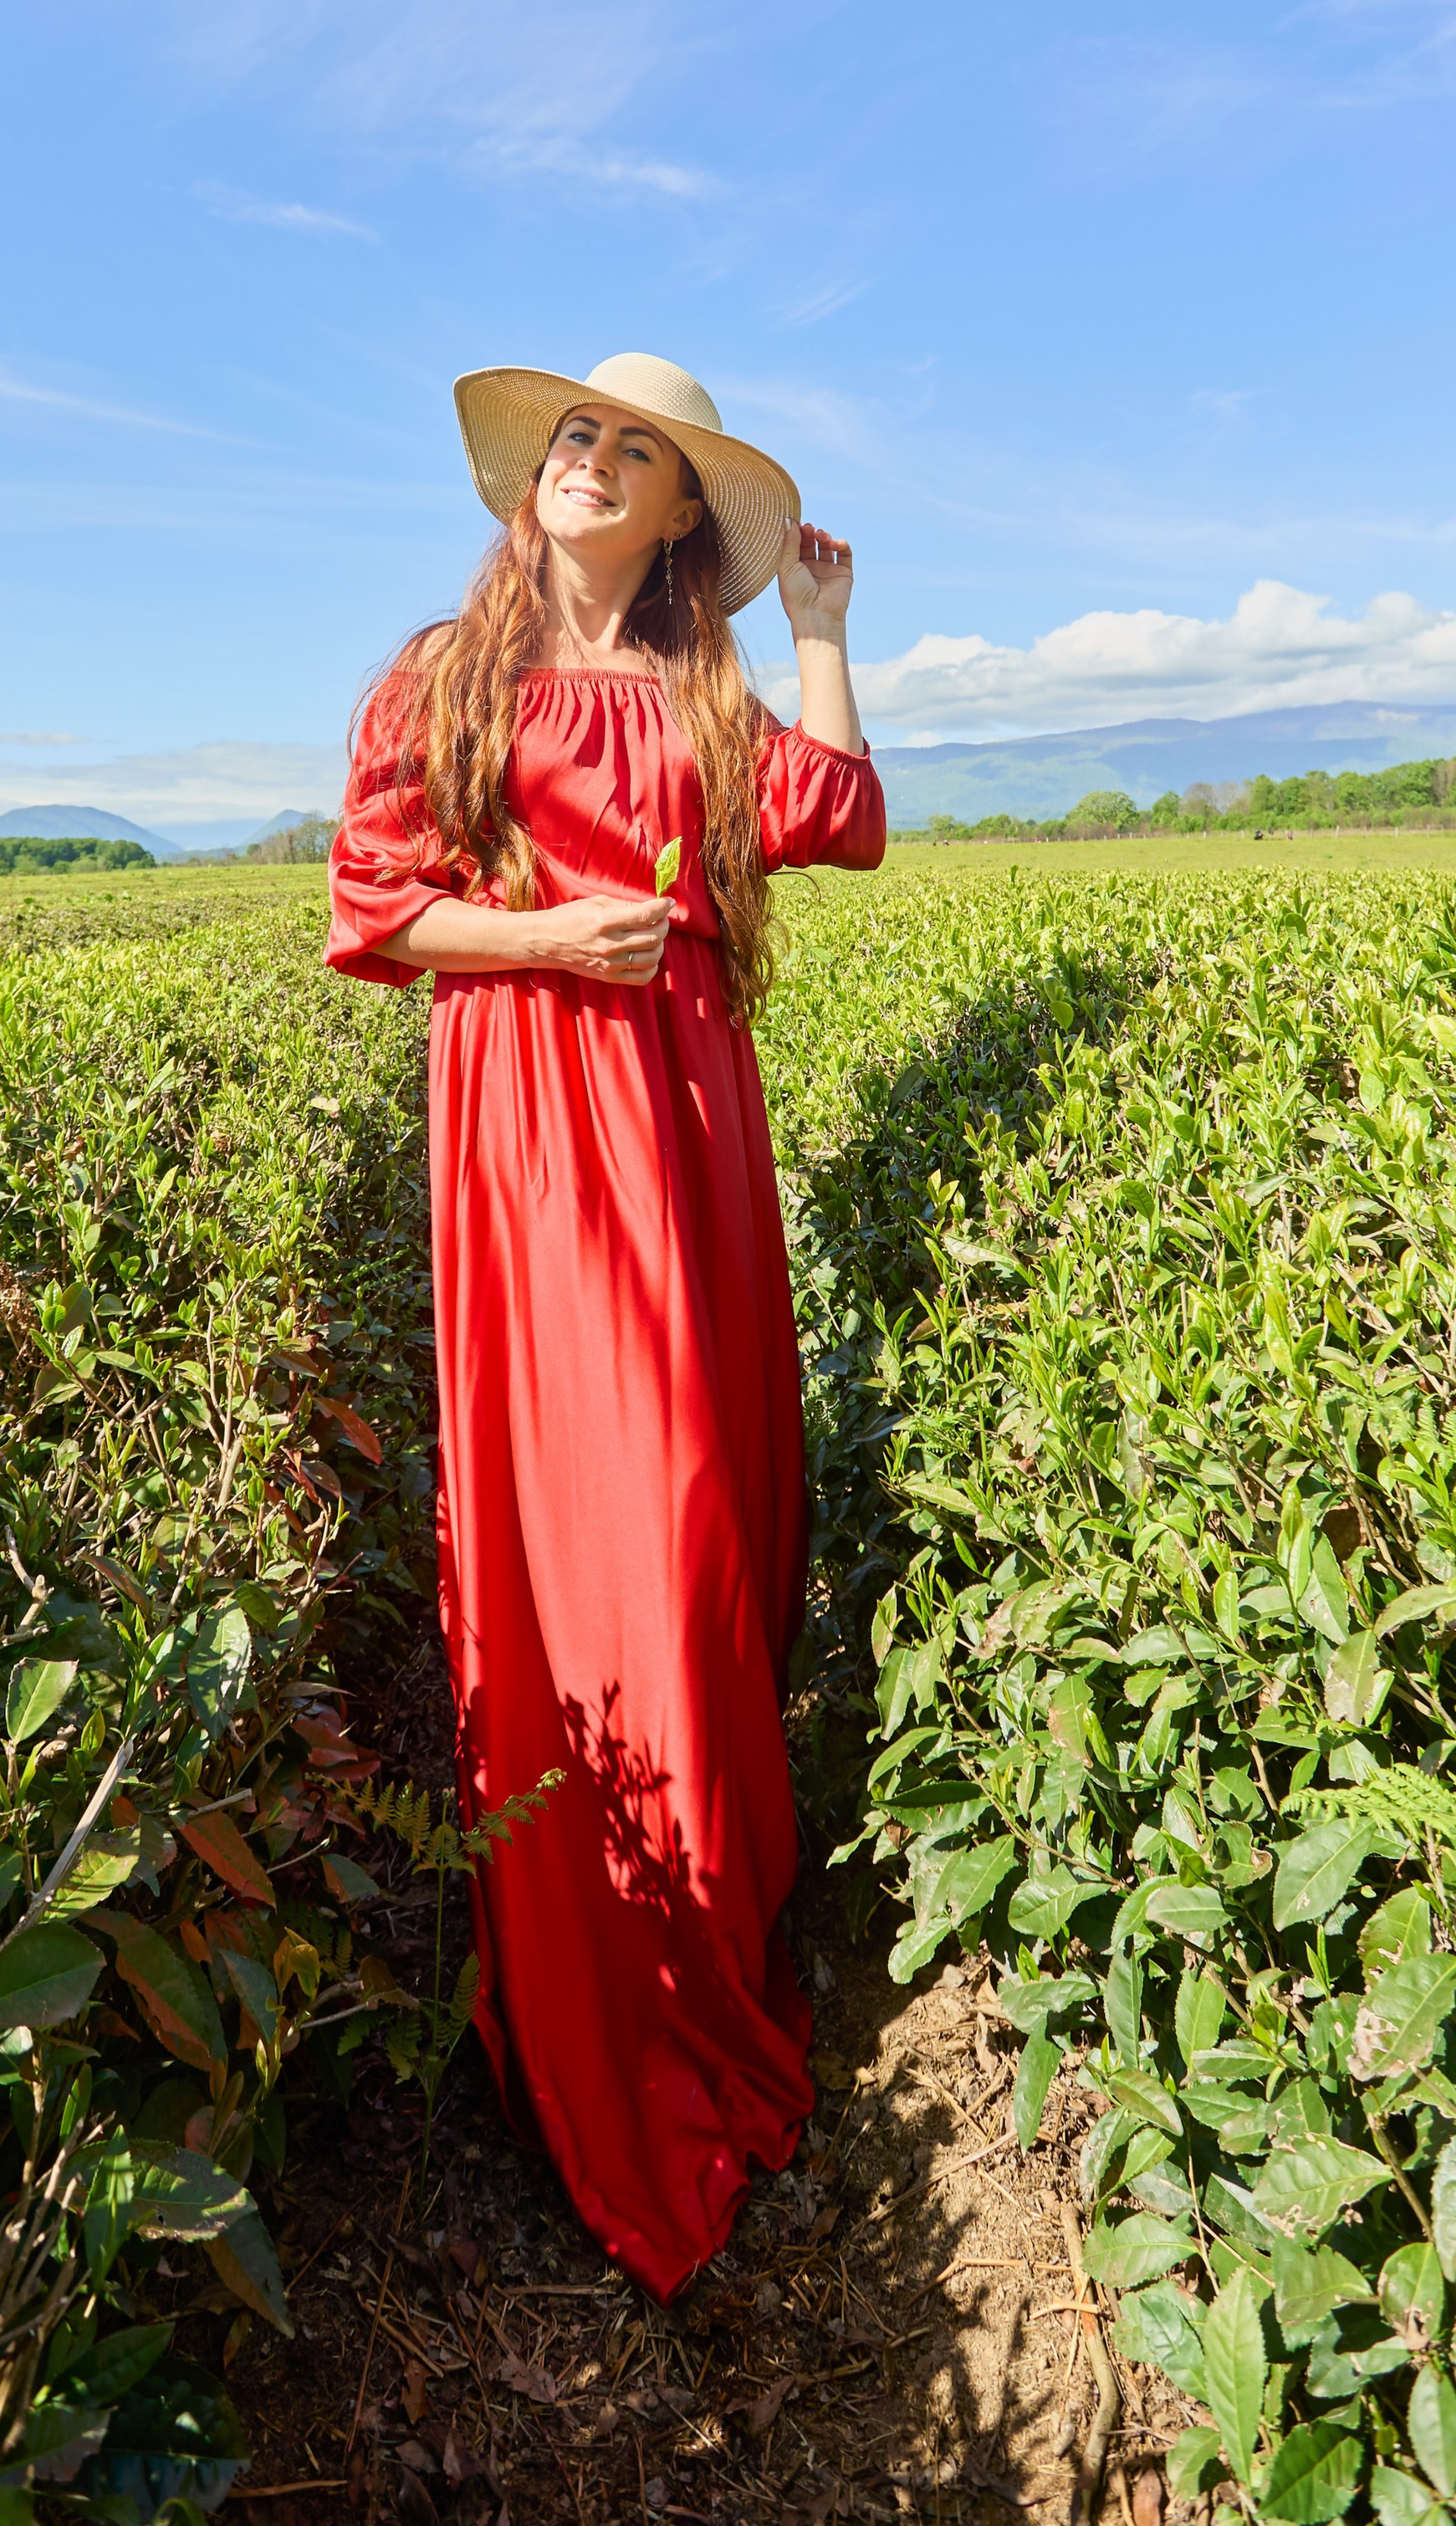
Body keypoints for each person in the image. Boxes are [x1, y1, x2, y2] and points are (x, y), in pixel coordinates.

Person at [325, 351, 885, 2298]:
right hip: (528, 1122)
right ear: (536, 479)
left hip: (682, 1119)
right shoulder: (439, 675)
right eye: (579, 433)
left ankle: (712, 1933)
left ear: (677, 525)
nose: (593, 458)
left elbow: (845, 813)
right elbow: (373, 907)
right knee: (595, 1524)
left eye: (636, 451)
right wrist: (553, 935)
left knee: (705, 1515)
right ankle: (587, 1978)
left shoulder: (706, 689)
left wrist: (814, 633)